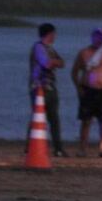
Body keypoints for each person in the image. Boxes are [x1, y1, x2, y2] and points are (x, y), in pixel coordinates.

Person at [71, 28, 102, 157]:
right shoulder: (84, 53)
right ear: (92, 38)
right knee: (86, 121)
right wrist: (78, 88)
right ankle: (82, 149)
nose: (98, 40)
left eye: (101, 38)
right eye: (96, 37)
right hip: (88, 91)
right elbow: (75, 71)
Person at [28, 23, 66, 156]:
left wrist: (55, 62)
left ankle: (58, 148)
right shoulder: (38, 47)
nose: (55, 36)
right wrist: (54, 62)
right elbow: (47, 64)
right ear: (49, 34)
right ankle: (30, 146)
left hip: (51, 86)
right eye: (54, 34)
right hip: (39, 88)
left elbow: (62, 62)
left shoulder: (51, 49)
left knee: (54, 118)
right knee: (38, 116)